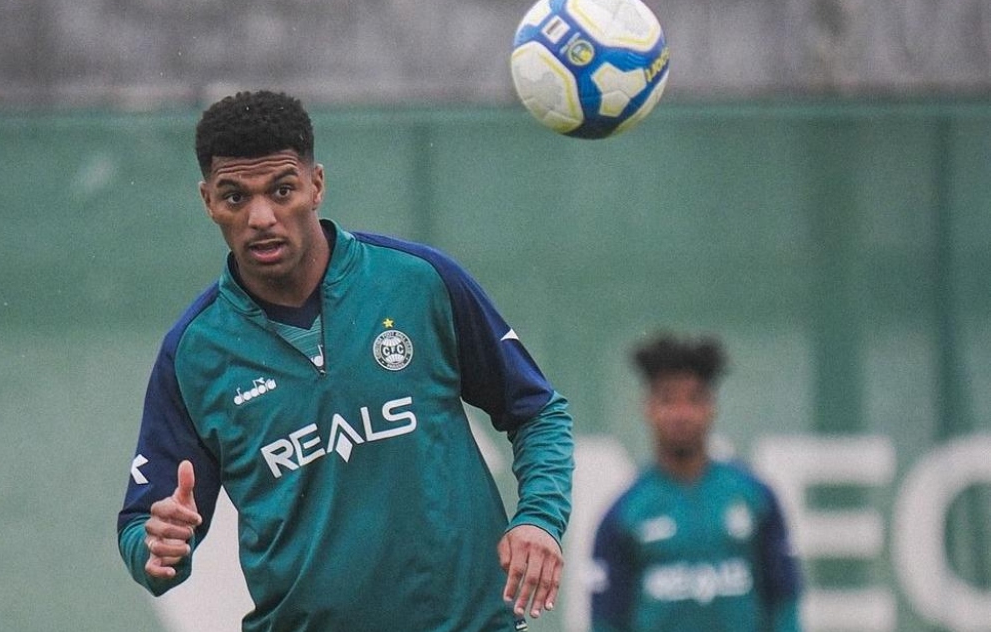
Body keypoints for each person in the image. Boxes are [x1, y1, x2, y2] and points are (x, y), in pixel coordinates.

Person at [117, 90, 574, 631]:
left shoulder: (418, 282)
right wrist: (157, 547)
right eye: (235, 197)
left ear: (316, 185)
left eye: (281, 190)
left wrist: (540, 518)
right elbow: (144, 527)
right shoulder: (193, 351)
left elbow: (537, 413)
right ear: (208, 202)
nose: (261, 217)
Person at [589, 333, 802, 632]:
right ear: (648, 407)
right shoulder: (625, 513)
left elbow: (785, 603)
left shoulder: (754, 497)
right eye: (668, 399)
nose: (681, 413)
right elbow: (606, 621)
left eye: (694, 399)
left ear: (711, 406)